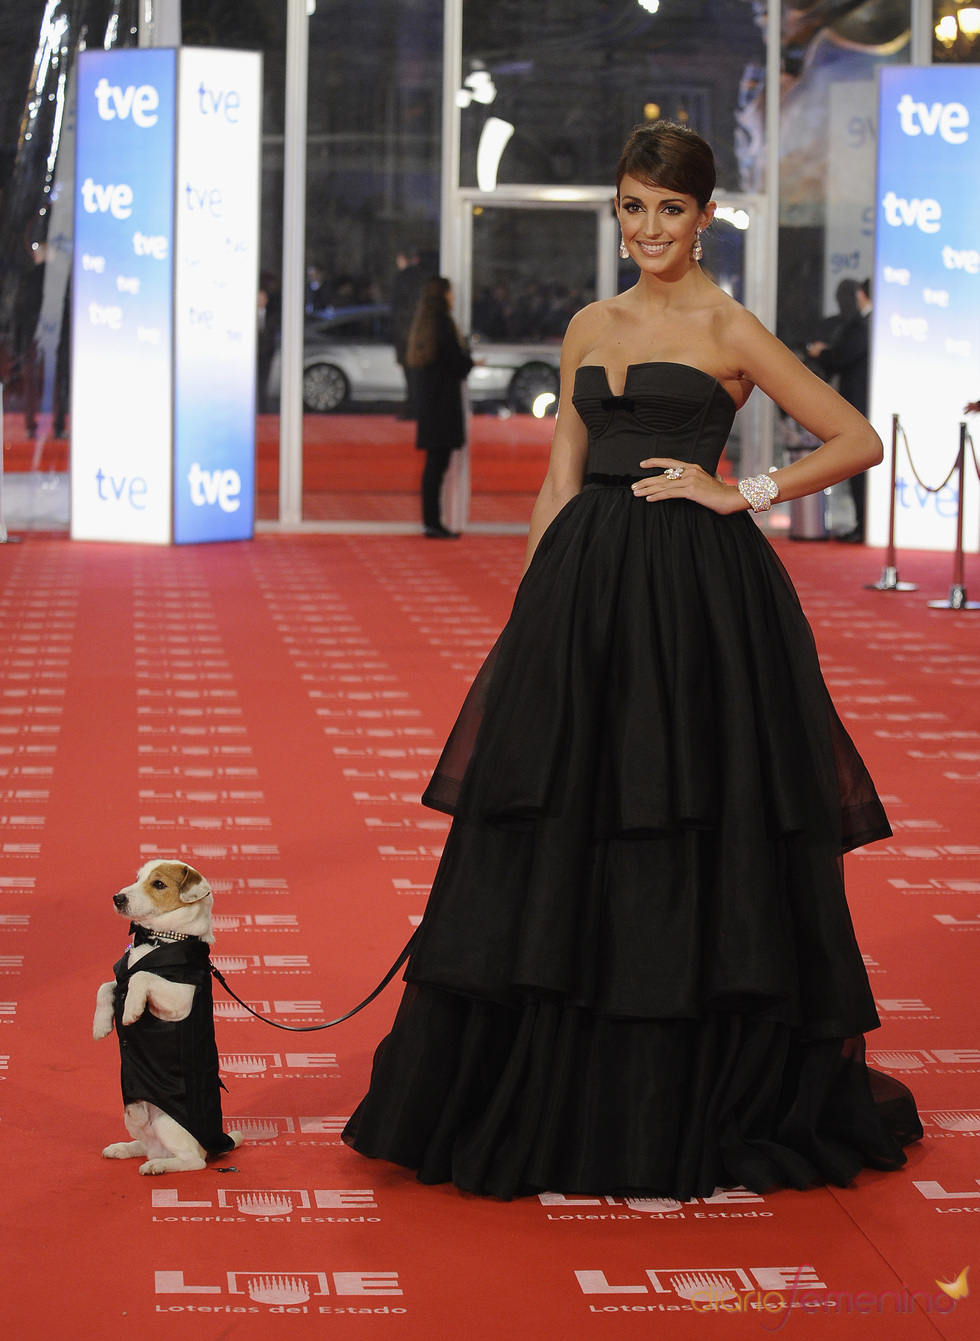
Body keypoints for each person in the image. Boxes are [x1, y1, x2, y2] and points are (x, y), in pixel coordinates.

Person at [344, 122, 921, 1199]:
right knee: (568, 819)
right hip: (581, 595)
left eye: (668, 209)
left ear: (704, 217)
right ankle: (547, 1074)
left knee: (678, 813)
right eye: (631, 207)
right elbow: (562, 474)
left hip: (693, 599)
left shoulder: (728, 326)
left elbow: (853, 439)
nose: (648, 227)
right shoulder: (586, 325)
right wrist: (530, 618)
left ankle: (678, 1078)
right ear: (616, 213)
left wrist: (737, 491)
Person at [406, 277, 473, 539]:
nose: (454, 298)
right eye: (451, 293)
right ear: (443, 295)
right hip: (443, 404)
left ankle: (431, 520)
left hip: (430, 403)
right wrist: (467, 357)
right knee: (437, 465)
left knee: (433, 465)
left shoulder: (424, 324)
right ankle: (433, 523)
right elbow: (457, 363)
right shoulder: (443, 324)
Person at [807, 279, 872, 541]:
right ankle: (861, 524)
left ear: (860, 293)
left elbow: (842, 357)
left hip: (861, 404)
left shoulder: (863, 324)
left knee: (861, 466)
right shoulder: (866, 323)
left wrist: (822, 353)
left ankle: (862, 525)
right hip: (861, 403)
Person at [391, 249, 429, 420]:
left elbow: (397, 308)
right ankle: (418, 408)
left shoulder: (403, 279)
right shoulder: (424, 279)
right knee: (418, 375)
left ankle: (412, 409)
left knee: (410, 374)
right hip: (419, 334)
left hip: (406, 335)